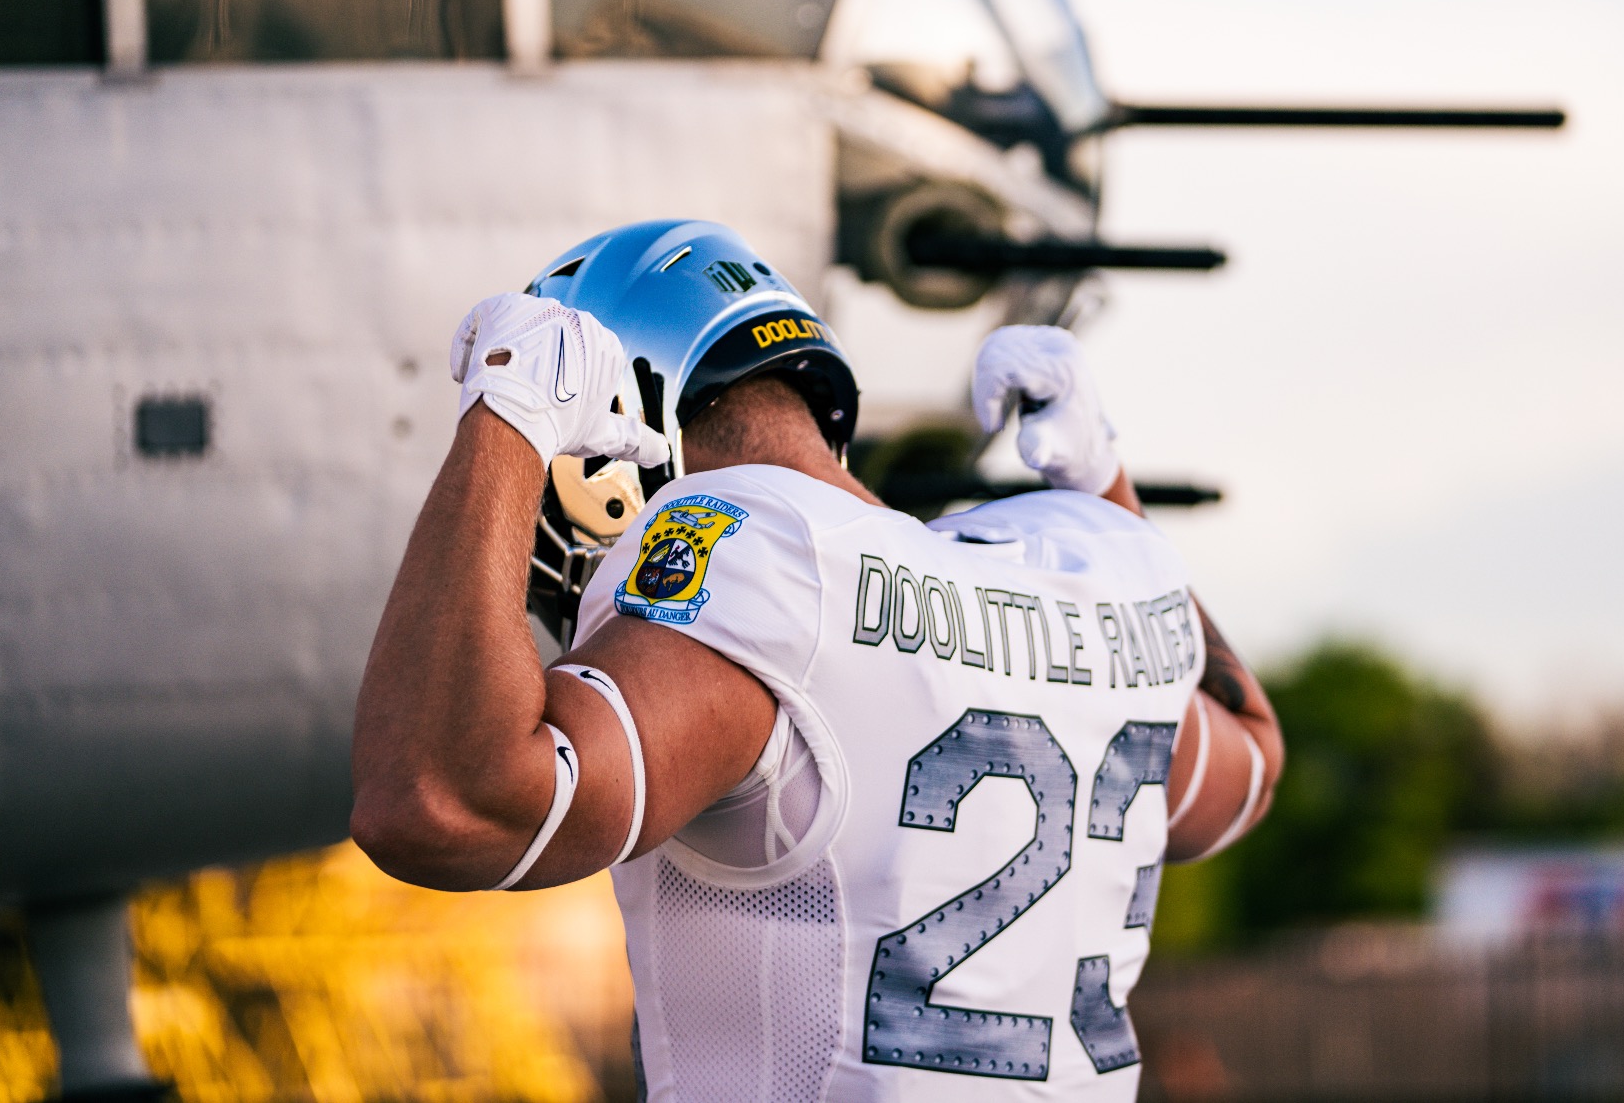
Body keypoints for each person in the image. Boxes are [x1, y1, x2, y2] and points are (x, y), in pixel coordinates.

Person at [352, 219, 1283, 1101]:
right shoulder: (1078, 572)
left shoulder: (768, 569)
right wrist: (1102, 496)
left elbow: (437, 799)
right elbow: (1250, 758)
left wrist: (506, 421)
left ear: (612, 439)